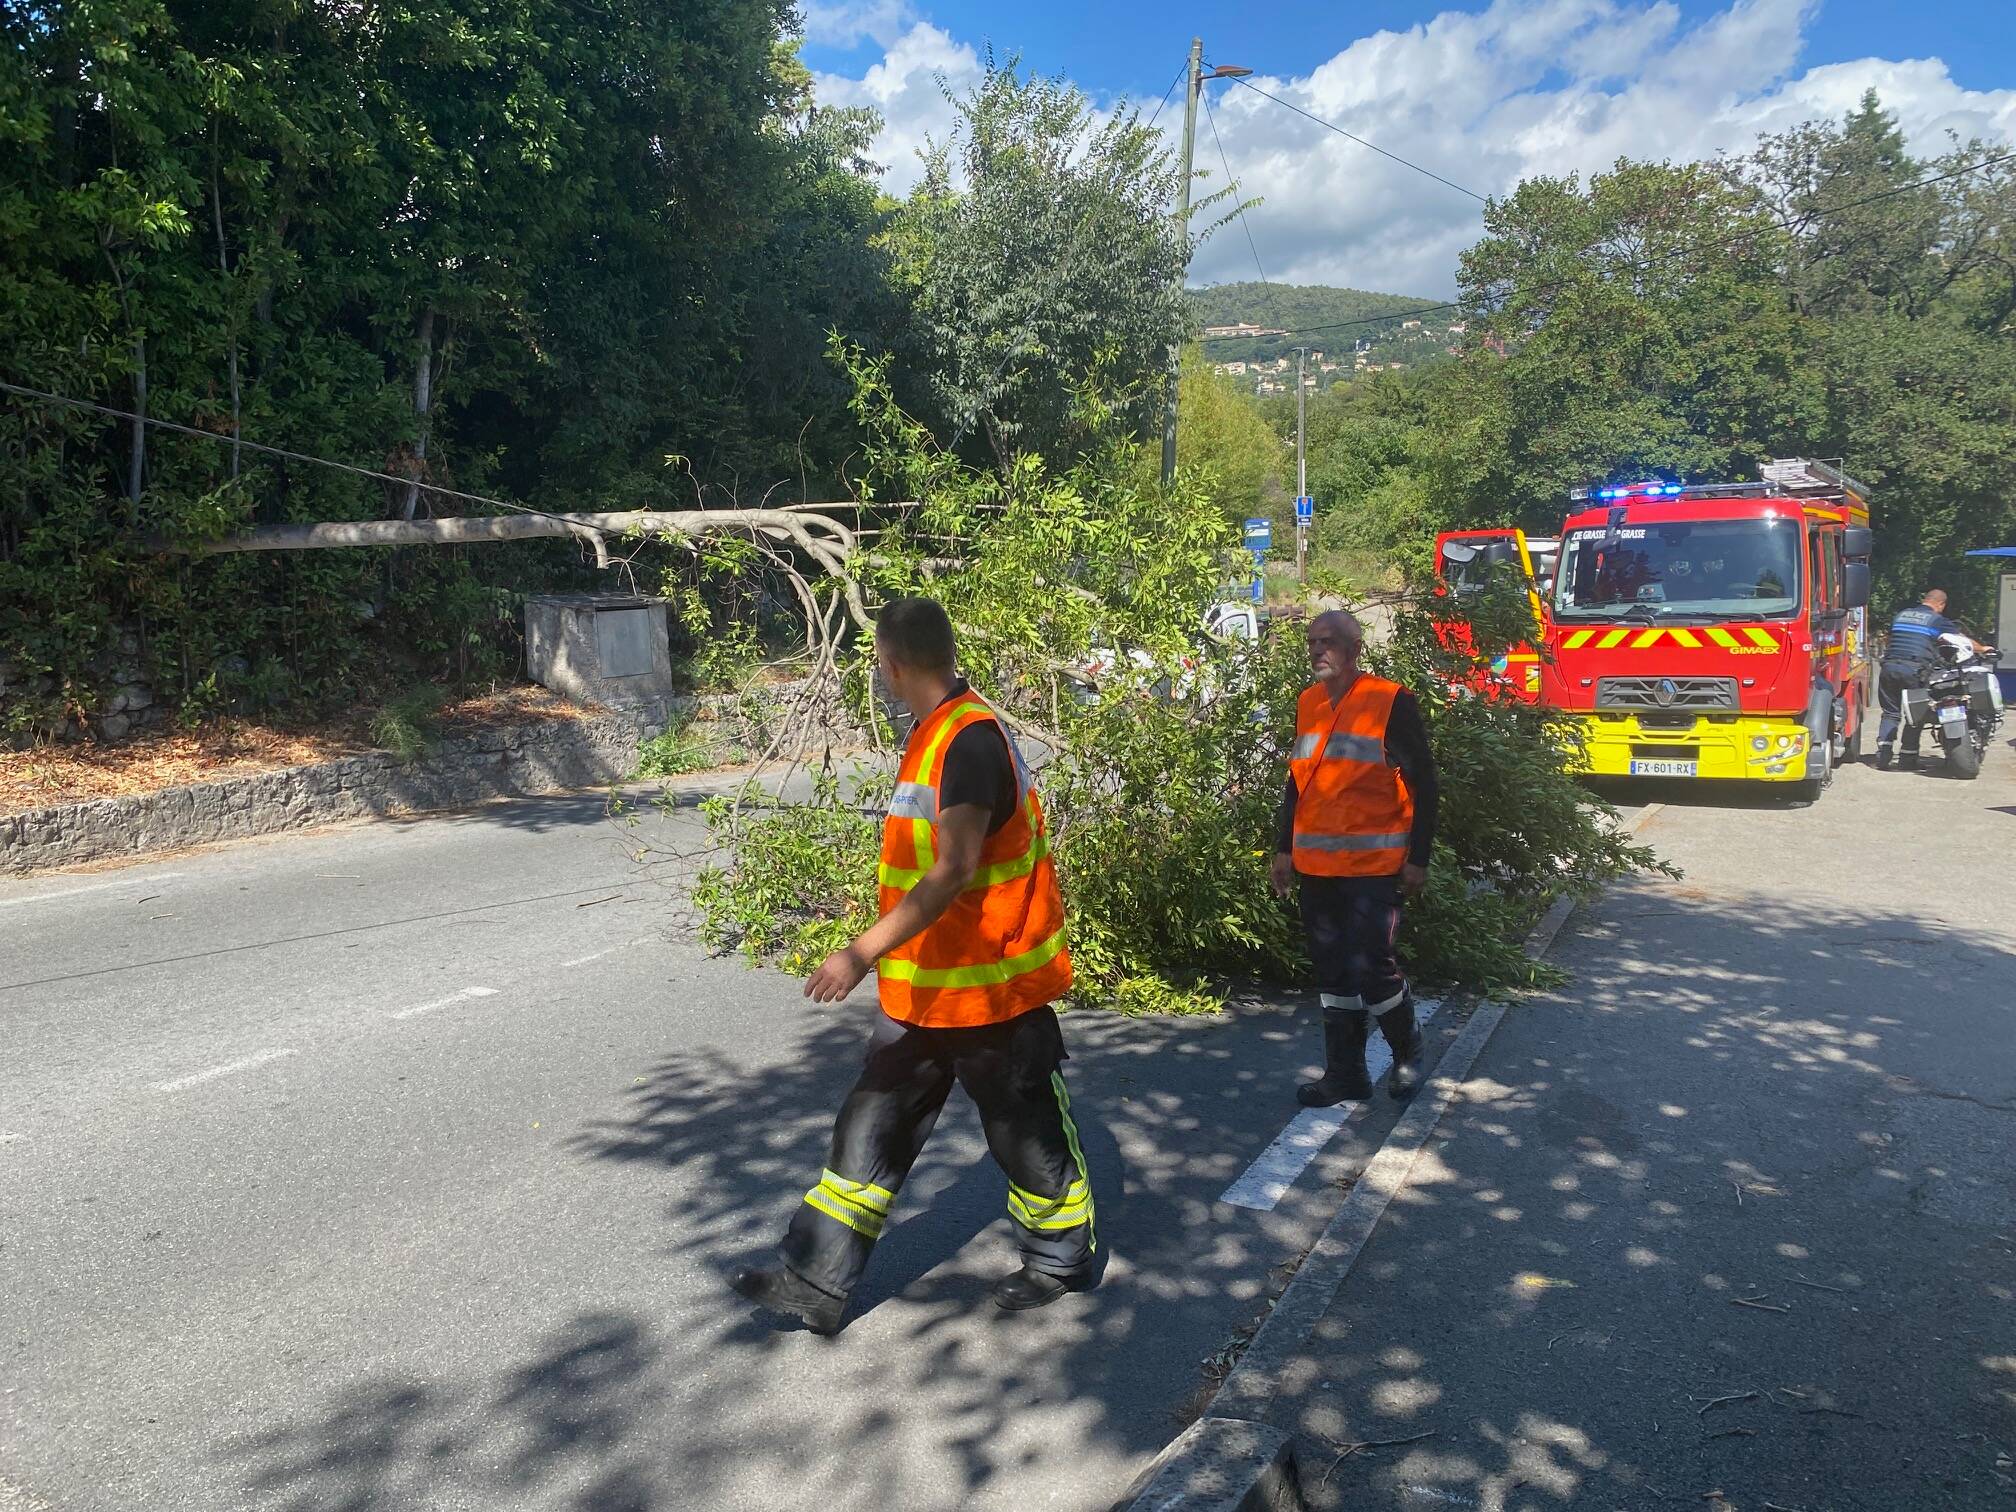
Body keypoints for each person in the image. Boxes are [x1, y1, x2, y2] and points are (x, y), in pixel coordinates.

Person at [730, 597, 1093, 1335]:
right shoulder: (936, 734)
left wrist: (859, 951)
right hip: (927, 989)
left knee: (1023, 1134)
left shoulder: (968, 743)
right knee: (868, 1128)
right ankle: (814, 1282)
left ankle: (1062, 1259)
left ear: (890, 666)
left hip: (993, 991)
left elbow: (954, 869)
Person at [1270, 611, 1439, 1106]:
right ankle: (1346, 1073)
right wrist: (1283, 848)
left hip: (1374, 869)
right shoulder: (1308, 703)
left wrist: (1419, 857)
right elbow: (1297, 783)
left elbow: (1425, 783)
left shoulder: (1389, 701)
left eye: (1329, 642)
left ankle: (1407, 1052)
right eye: (1312, 643)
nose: (1318, 651)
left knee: (1372, 966)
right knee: (1333, 972)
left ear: (1355, 649)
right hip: (1318, 868)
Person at [1877, 589, 1988, 769]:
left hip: (1889, 667)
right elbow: (1961, 641)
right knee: (1916, 713)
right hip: (1914, 670)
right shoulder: (1936, 619)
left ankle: (1883, 754)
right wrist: (1983, 648)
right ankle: (1907, 758)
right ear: (1941, 605)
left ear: (1925, 599)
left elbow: (1891, 639)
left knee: (1890, 713)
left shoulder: (1901, 615)